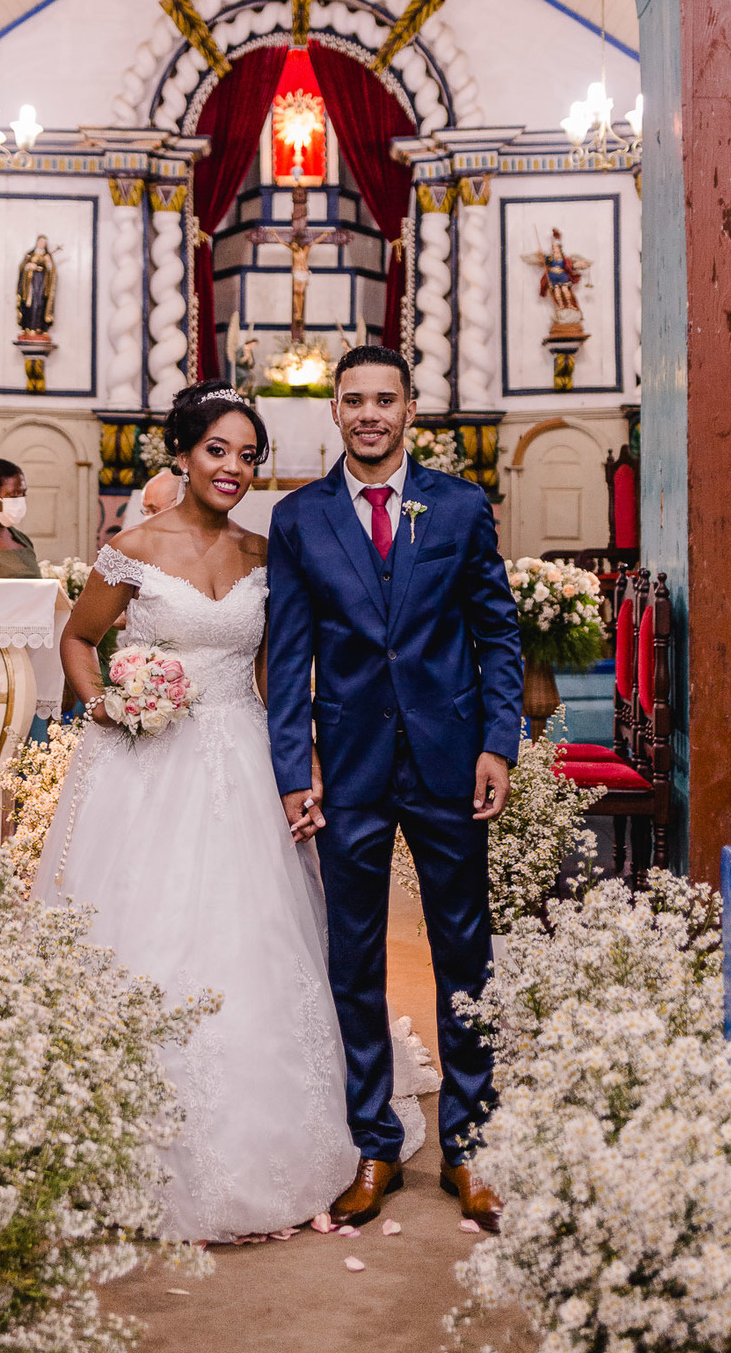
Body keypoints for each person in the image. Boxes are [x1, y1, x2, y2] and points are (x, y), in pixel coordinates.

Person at [31, 381, 357, 1241]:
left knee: (252, 938)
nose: (235, 469)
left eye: (250, 456)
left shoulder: (262, 553)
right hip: (145, 765)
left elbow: (267, 676)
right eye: (219, 450)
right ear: (183, 452)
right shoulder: (132, 550)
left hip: (242, 758)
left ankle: (266, 1136)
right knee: (142, 930)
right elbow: (77, 639)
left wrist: (302, 758)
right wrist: (107, 702)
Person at [266, 346, 524, 1231]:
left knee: (465, 951)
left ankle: (471, 1145)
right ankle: (373, 1142)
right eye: (354, 400)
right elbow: (288, 654)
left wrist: (499, 742)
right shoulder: (299, 519)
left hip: (451, 759)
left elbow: (496, 631)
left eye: (386, 399)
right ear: (333, 412)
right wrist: (292, 771)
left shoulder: (457, 505)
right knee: (353, 958)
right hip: (348, 772)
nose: (369, 413)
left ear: (412, 408)